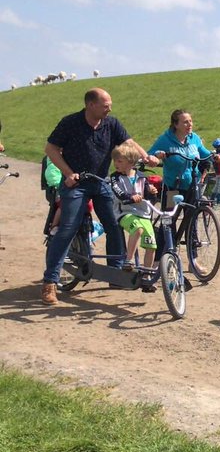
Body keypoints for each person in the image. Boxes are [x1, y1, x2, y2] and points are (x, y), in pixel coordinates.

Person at [41, 88, 158, 305]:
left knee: (114, 224)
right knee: (68, 228)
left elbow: (129, 142)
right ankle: (50, 283)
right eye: (105, 105)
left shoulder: (111, 124)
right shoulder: (70, 123)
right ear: (90, 105)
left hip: (101, 182)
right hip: (75, 184)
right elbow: (50, 148)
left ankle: (115, 273)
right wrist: (68, 173)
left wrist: (146, 156)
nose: (109, 108)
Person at [110, 140, 159, 289]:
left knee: (151, 245)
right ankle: (128, 260)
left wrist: (152, 193)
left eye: (119, 161)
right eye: (114, 161)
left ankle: (147, 275)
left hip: (143, 214)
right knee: (137, 229)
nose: (115, 164)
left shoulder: (141, 177)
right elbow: (118, 192)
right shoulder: (115, 178)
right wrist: (129, 197)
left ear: (130, 162)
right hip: (124, 213)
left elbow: (149, 199)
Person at [148, 109, 212, 205]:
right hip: (173, 186)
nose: (190, 124)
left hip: (193, 185)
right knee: (169, 216)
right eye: (185, 122)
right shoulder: (165, 139)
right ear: (176, 125)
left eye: (190, 121)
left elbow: (205, 153)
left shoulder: (194, 138)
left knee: (191, 216)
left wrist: (215, 156)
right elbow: (150, 153)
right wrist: (157, 154)